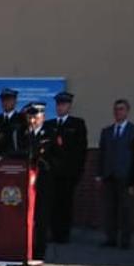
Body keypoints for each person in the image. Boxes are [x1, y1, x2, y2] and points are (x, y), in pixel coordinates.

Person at [94, 99, 134, 248]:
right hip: (109, 175)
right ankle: (111, 238)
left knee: (127, 210)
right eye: (116, 109)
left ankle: (125, 240)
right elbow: (102, 154)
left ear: (127, 111)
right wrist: (99, 174)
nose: (118, 112)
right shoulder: (107, 131)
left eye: (121, 109)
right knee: (110, 209)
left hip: (126, 176)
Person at [18, 104, 58, 262]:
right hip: (23, 183)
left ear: (43, 117)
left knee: (41, 219)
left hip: (43, 183)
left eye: (36, 117)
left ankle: (38, 253)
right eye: (30, 117)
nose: (32, 120)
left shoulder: (50, 134)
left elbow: (57, 158)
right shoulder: (22, 135)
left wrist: (43, 163)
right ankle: (22, 249)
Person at [46, 92, 88, 244]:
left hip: (68, 173)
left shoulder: (76, 124)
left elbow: (80, 150)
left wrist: (78, 171)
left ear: (69, 106)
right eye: (58, 104)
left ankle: (63, 234)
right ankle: (52, 231)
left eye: (63, 104)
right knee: (52, 204)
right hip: (52, 172)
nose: (60, 107)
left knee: (65, 204)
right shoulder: (49, 125)